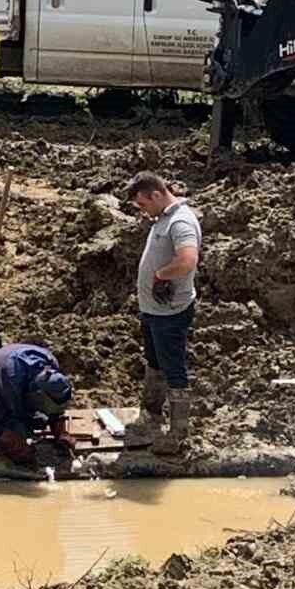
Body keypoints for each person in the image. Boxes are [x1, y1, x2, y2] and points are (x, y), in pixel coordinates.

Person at [123, 170, 202, 455]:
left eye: (143, 204)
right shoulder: (164, 219)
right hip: (154, 310)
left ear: (156, 194)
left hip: (170, 312)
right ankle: (152, 415)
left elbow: (188, 261)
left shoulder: (180, 222)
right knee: (155, 362)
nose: (143, 212)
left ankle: (179, 433)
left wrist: (160, 275)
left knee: (173, 367)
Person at [0, 342, 73, 466]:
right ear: (38, 395)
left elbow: (56, 410)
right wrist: (16, 446)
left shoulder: (50, 363)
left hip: (7, 391)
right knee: (11, 432)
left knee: (36, 423)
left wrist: (61, 433)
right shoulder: (8, 380)